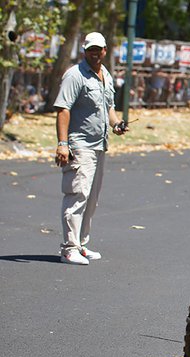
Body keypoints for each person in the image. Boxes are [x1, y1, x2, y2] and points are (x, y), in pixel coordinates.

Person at [54, 32, 128, 265]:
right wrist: (63, 144)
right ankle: (69, 248)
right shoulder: (74, 75)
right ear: (84, 51)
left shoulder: (105, 74)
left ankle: (81, 244)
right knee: (77, 194)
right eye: (91, 50)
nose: (95, 53)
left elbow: (109, 107)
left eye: (99, 49)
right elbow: (63, 110)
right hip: (80, 144)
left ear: (106, 50)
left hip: (99, 145)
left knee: (92, 198)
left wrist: (116, 124)